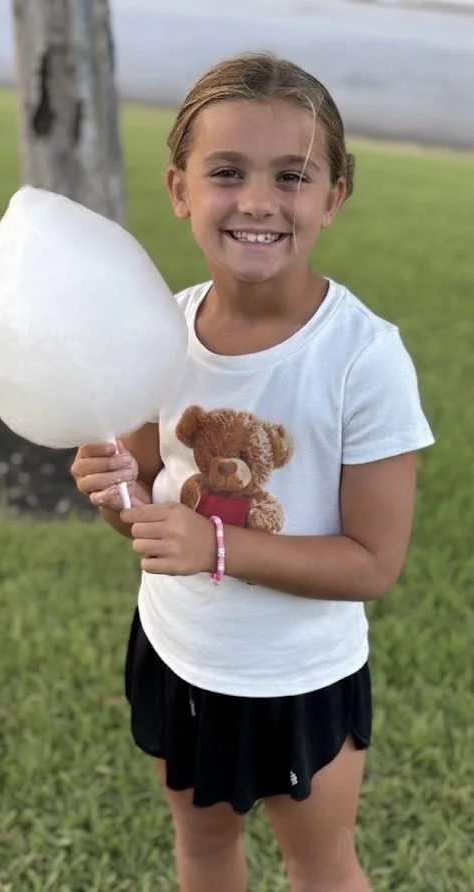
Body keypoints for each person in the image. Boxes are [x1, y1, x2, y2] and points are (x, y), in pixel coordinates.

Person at [70, 52, 434, 892]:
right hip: (178, 652)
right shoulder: (156, 331)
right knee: (201, 847)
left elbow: (372, 564)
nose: (258, 201)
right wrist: (111, 487)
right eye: (226, 172)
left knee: (320, 864)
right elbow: (142, 516)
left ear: (333, 196)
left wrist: (217, 548)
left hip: (298, 677)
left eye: (292, 175)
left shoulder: (361, 359)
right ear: (179, 189)